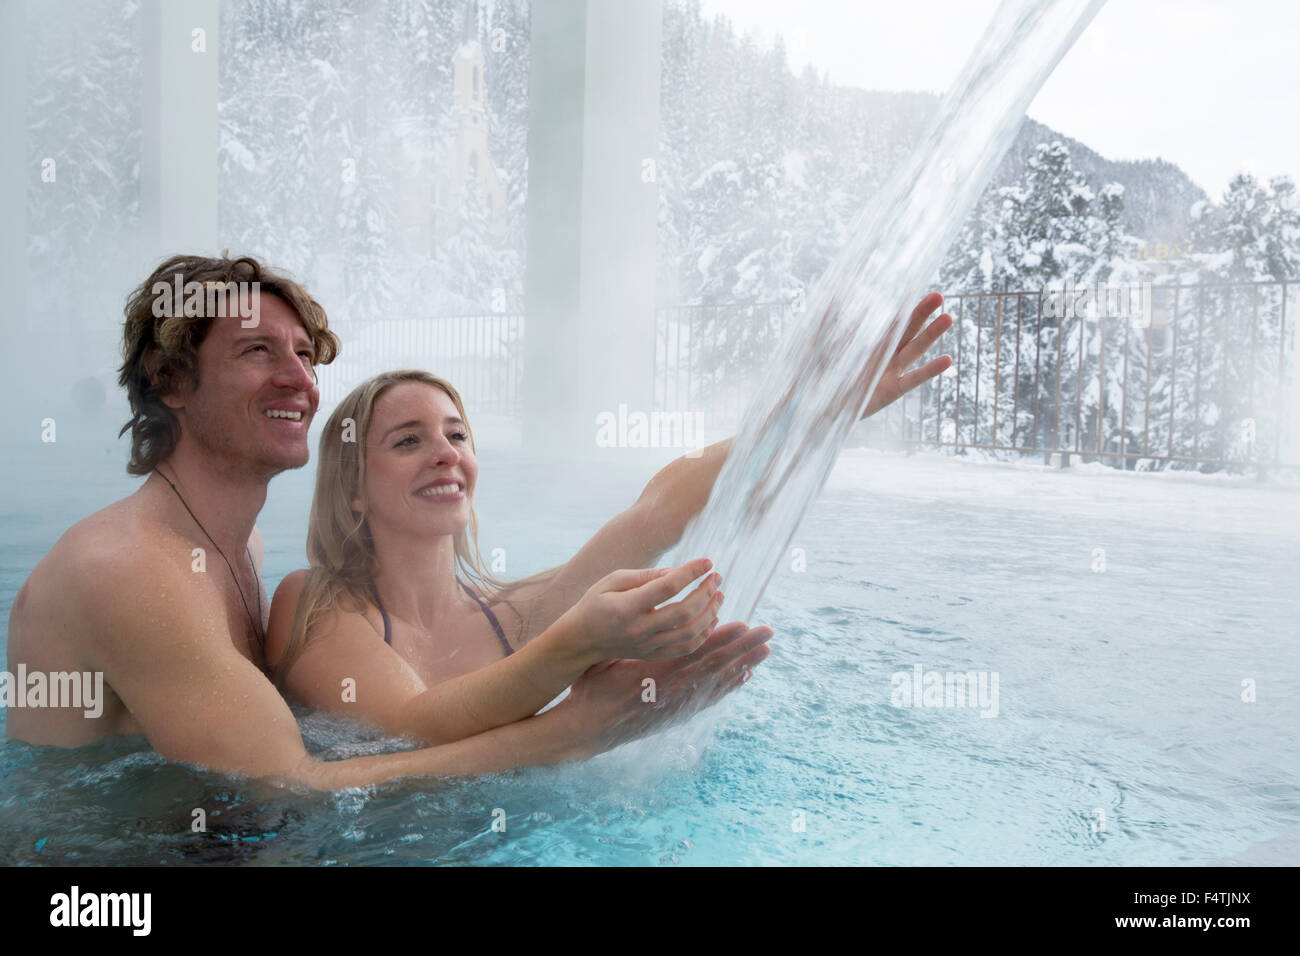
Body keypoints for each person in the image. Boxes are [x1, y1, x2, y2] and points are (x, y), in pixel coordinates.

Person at [5, 253, 771, 790]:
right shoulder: (133, 571)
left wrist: (816, 400)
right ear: (170, 381)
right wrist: (577, 731)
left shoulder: (235, 552)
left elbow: (652, 510)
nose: (300, 379)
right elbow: (292, 785)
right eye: (258, 352)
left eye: (306, 355)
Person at [266, 294, 954, 742]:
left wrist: (810, 415)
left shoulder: (519, 614)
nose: (444, 455)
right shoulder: (315, 602)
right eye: (408, 440)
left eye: (456, 435)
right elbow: (413, 724)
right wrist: (576, 652)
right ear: (352, 490)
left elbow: (659, 506)